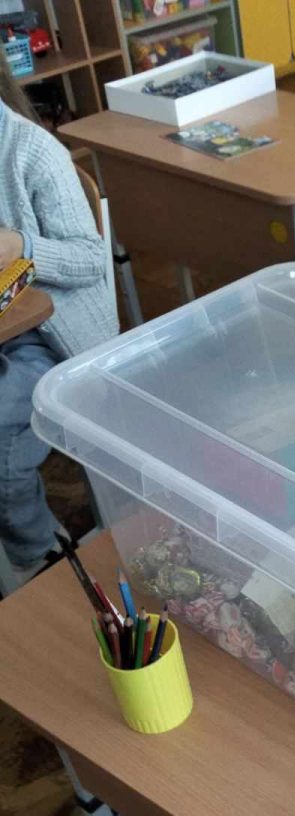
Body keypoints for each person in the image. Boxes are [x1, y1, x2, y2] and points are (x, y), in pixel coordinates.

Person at [0, 56, 118, 584]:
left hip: (54, 337)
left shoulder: (32, 152)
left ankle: (37, 555)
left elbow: (91, 258)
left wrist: (22, 246)